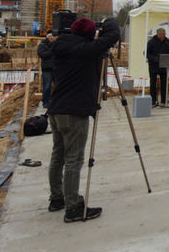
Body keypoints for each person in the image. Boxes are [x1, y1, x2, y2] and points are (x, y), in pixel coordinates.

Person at [48, 17, 119, 222]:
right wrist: (109, 22)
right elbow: (113, 35)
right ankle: (73, 207)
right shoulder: (85, 50)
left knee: (58, 155)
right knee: (73, 159)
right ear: (88, 34)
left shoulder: (62, 44)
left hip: (56, 109)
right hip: (74, 111)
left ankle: (57, 198)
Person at [146, 28, 169, 107]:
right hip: (153, 67)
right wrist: (155, 58)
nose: (164, 35)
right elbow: (147, 54)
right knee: (153, 84)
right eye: (162, 34)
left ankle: (164, 99)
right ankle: (153, 100)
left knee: (164, 83)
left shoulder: (168, 42)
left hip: (164, 67)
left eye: (164, 34)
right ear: (158, 34)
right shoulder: (151, 42)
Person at [37, 30, 57, 109]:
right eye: (52, 36)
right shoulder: (42, 45)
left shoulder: (57, 45)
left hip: (56, 68)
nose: (53, 38)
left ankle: (56, 101)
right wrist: (52, 51)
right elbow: (42, 54)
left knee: (57, 86)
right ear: (48, 37)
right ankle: (45, 101)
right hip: (47, 69)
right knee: (47, 86)